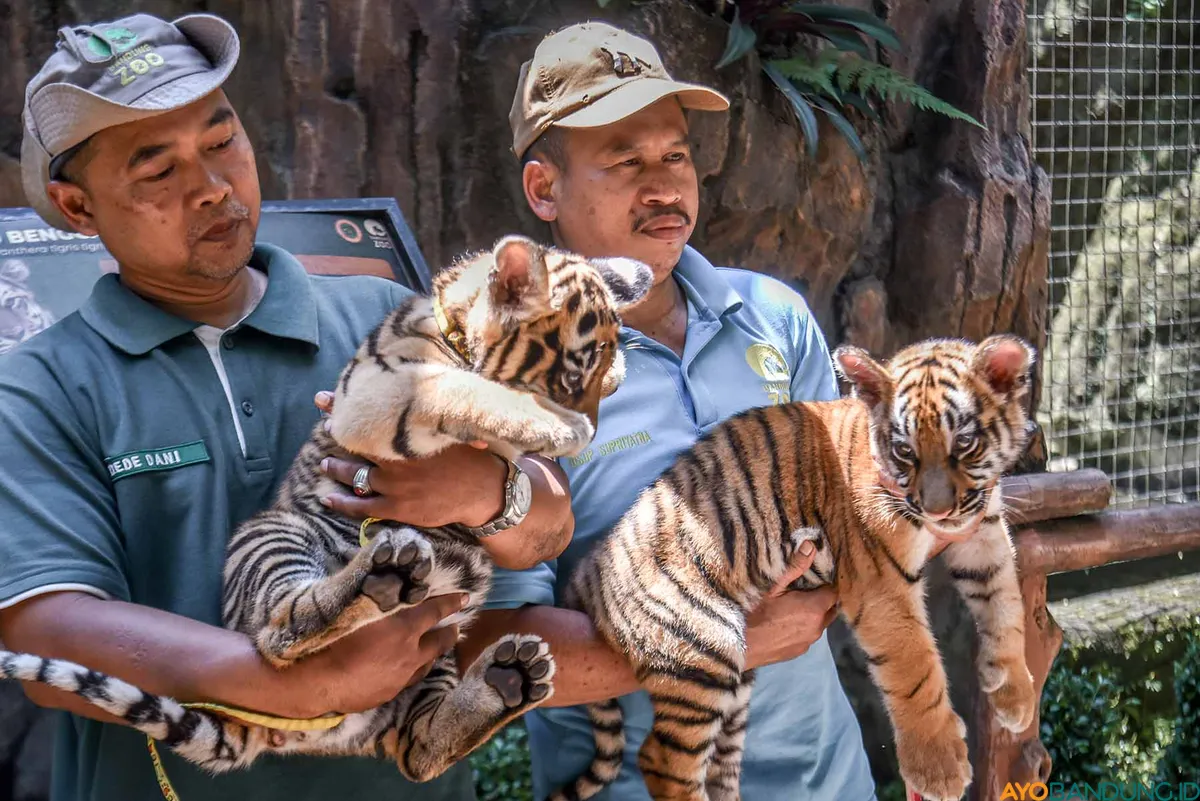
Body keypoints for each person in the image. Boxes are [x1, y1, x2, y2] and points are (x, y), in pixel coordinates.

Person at [0, 12, 575, 801]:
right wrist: (296, 682)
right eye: (157, 170)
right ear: (76, 206)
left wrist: (488, 491)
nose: (211, 185)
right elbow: (45, 630)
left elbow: (546, 525)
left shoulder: (386, 317)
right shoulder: (39, 386)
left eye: (221, 139)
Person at [462, 22, 878, 801]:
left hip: (832, 782)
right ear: (544, 189)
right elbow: (488, 649)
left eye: (677, 156)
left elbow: (857, 522)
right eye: (627, 162)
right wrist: (725, 639)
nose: (665, 188)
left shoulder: (775, 318)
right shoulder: (508, 381)